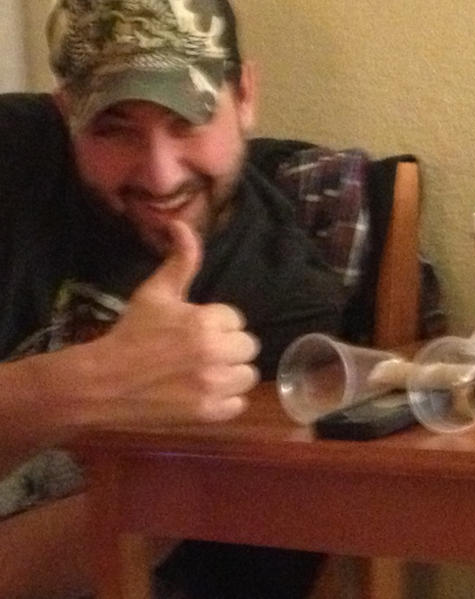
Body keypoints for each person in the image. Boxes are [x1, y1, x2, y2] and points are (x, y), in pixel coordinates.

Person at [0, 0, 345, 597]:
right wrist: (94, 382)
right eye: (115, 128)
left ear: (245, 96)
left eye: (188, 117)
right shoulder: (12, 157)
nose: (161, 177)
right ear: (67, 114)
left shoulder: (285, 300)